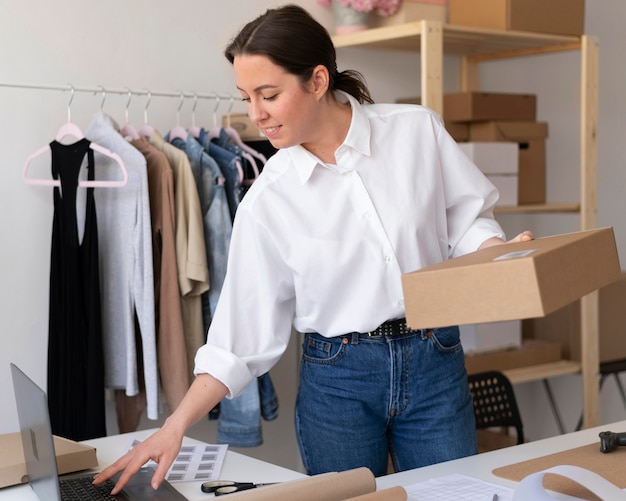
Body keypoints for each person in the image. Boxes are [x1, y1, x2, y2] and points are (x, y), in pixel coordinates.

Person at [94, 4, 533, 493]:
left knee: (455, 494)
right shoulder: (268, 198)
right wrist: (174, 427)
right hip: (338, 380)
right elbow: (239, 336)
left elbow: (467, 219)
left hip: (434, 359)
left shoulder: (416, 132)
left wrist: (499, 253)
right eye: (246, 97)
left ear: (318, 81)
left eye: (269, 95)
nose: (254, 115)